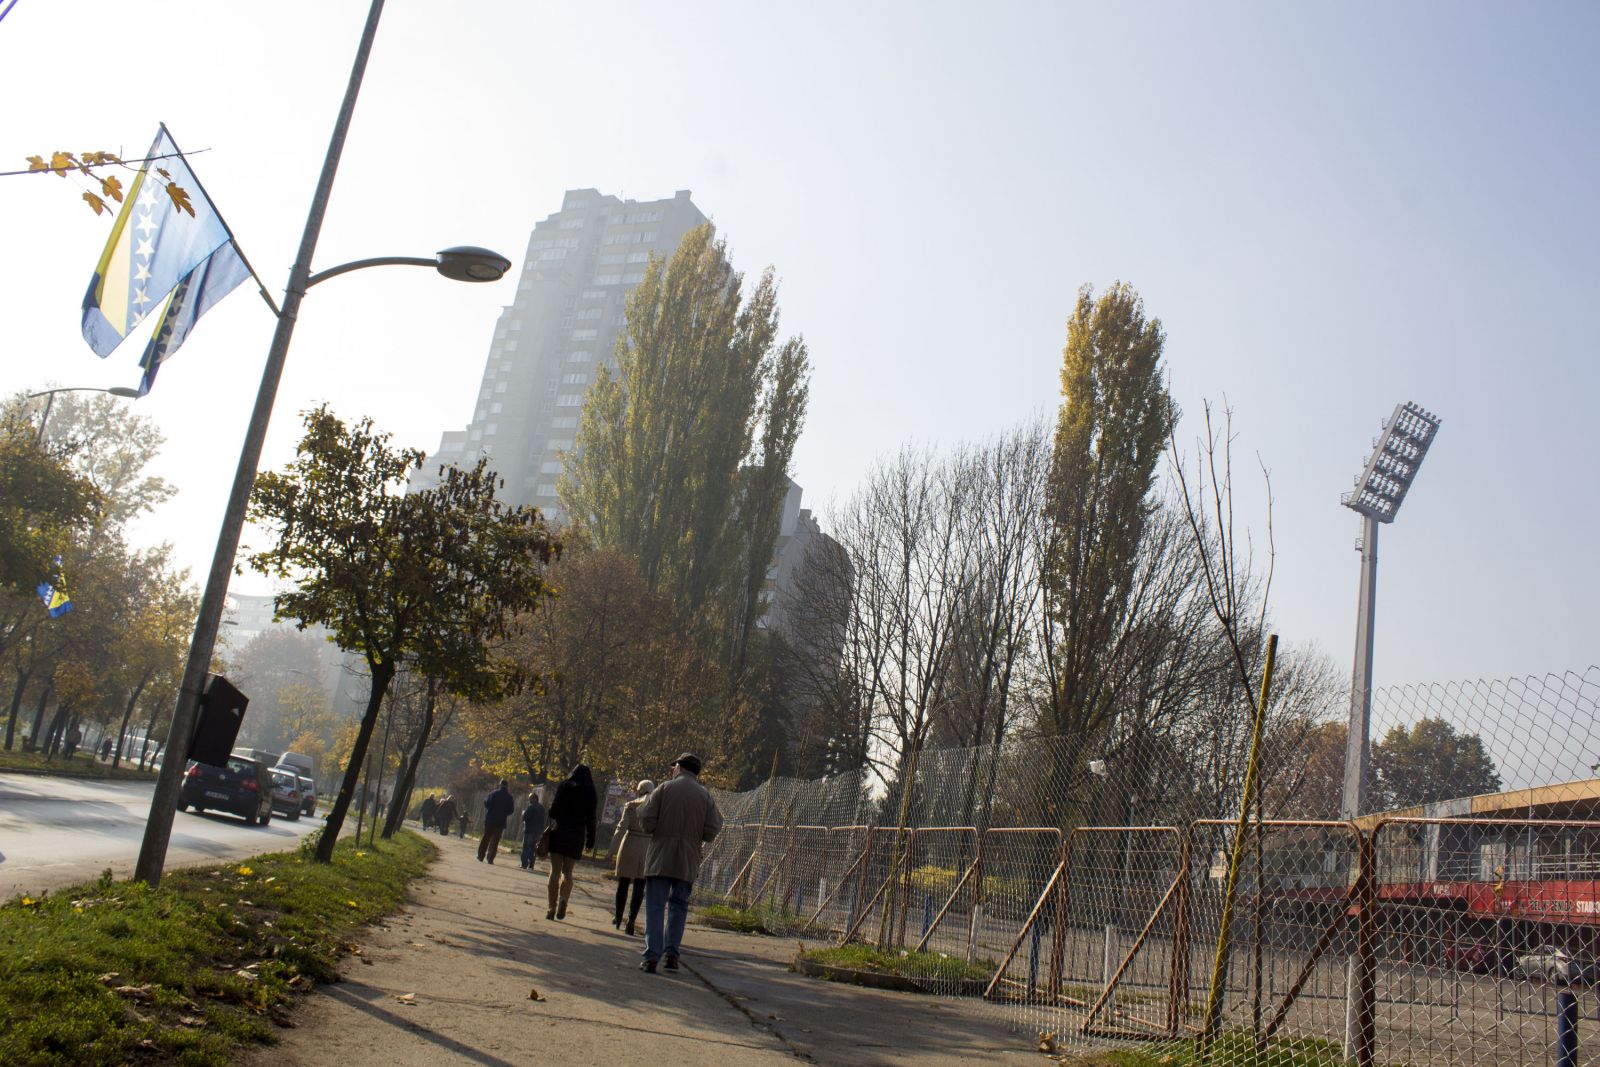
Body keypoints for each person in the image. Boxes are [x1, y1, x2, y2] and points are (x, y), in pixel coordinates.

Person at [638, 753, 722, 974]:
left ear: (679, 768)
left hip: (661, 856)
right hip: (688, 858)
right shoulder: (705, 796)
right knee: (679, 906)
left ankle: (651, 957)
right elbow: (712, 828)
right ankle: (672, 954)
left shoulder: (664, 789)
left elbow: (646, 820)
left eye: (674, 766)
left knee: (656, 906)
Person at [545, 765, 597, 920]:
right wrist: (590, 840)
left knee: (554, 872)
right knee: (568, 872)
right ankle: (563, 900)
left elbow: (553, 811)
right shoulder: (590, 792)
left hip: (560, 831)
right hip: (577, 835)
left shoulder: (564, 786)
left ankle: (551, 907)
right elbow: (592, 818)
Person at [612, 779, 655, 935]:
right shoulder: (656, 808)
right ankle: (631, 920)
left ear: (639, 790)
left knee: (623, 883)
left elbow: (621, 827)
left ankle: (618, 917)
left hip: (630, 843)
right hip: (647, 847)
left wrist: (612, 849)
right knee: (639, 885)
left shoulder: (631, 805)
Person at [479, 779, 515, 863]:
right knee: (495, 841)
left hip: (490, 819)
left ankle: (481, 856)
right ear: (507, 786)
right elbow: (511, 810)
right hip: (501, 822)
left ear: (500, 784)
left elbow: (486, 803)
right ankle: (490, 858)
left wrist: (491, 809)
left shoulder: (494, 793)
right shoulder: (509, 797)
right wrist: (504, 813)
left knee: (486, 838)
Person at [519, 790, 548, 870]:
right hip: (538, 831)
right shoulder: (542, 808)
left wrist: (523, 813)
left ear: (534, 798)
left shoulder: (531, 807)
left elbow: (525, 818)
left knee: (526, 848)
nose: (529, 800)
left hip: (529, 830)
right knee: (533, 849)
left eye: (530, 798)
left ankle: (524, 864)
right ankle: (531, 864)